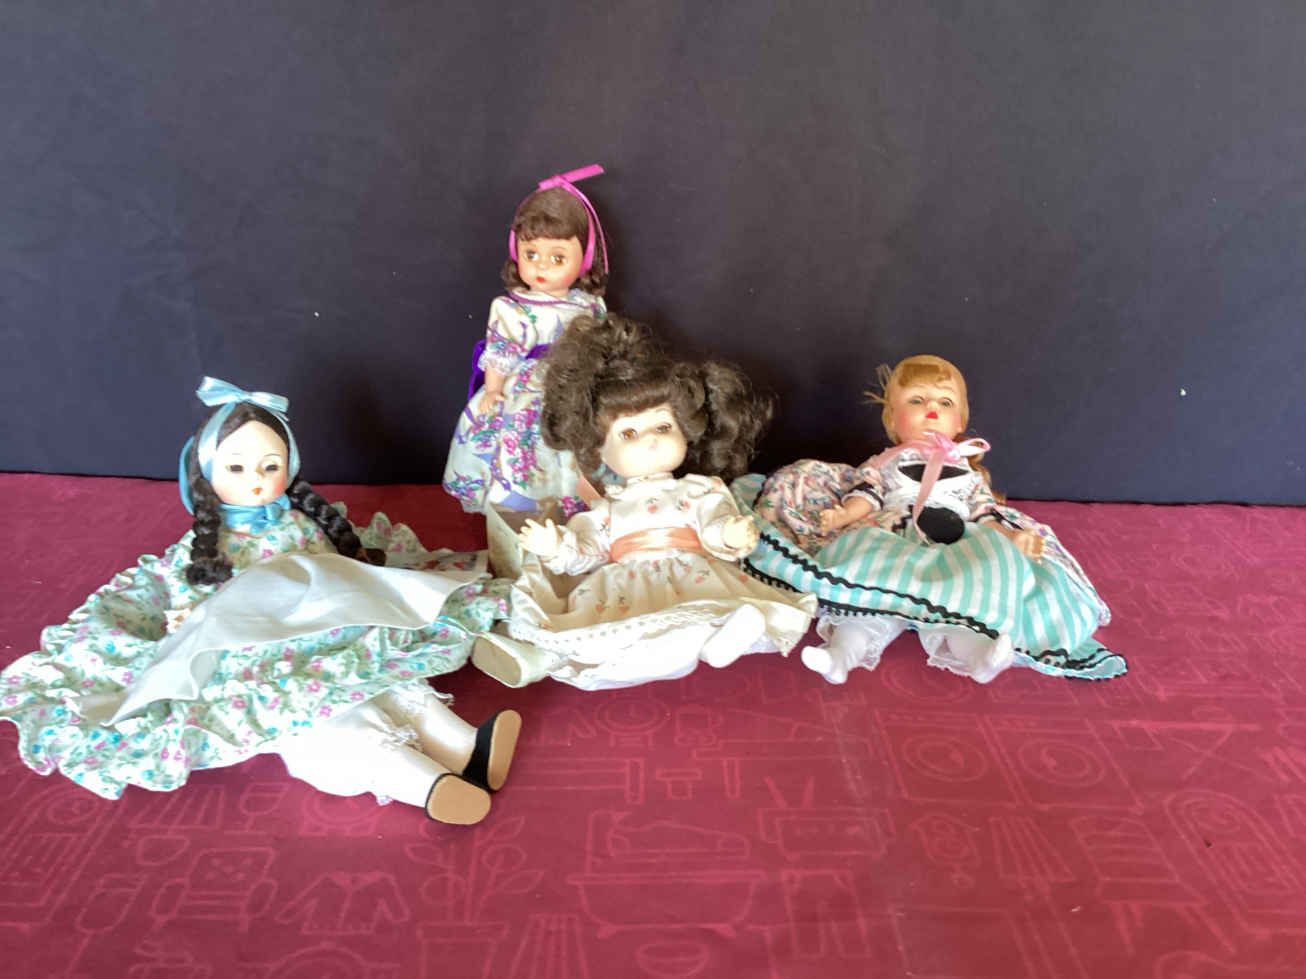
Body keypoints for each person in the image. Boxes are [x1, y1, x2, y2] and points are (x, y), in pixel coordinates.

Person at [0, 378, 520, 824]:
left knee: (380, 675)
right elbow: (193, 593)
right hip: (261, 649)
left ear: (289, 468)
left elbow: (332, 568)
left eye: (270, 466)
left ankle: (464, 745)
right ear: (207, 472)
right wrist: (191, 613)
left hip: (329, 627)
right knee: (309, 712)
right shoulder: (207, 544)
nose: (256, 481)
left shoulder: (302, 521)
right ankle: (417, 780)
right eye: (237, 468)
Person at [472, 317, 816, 691]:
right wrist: (558, 546)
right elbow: (588, 552)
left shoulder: (698, 490)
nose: (650, 440)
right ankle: (558, 656)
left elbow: (712, 522)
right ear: (599, 450)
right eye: (629, 433)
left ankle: (715, 640)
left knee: (701, 613)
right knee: (612, 636)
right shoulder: (607, 508)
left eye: (663, 427)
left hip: (691, 574)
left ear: (685, 431)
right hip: (624, 586)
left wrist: (728, 536)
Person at [746, 354, 1124, 684]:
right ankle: (840, 655)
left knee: (968, 591)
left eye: (945, 402)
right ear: (893, 419)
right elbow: (868, 494)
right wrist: (844, 514)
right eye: (916, 400)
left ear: (959, 421)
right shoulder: (887, 460)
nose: (931, 409)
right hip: (895, 531)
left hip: (954, 537)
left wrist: (1010, 538)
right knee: (870, 591)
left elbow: (984, 512)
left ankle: (980, 656)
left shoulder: (967, 473)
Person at [443, 165, 611, 515]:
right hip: (526, 390)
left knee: (578, 440)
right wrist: (493, 389)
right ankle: (520, 509)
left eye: (558, 257)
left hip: (574, 385)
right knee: (523, 442)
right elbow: (500, 351)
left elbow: (601, 348)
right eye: (531, 254)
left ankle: (573, 510)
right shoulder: (511, 308)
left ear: (585, 258)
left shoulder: (590, 306)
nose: (541, 266)